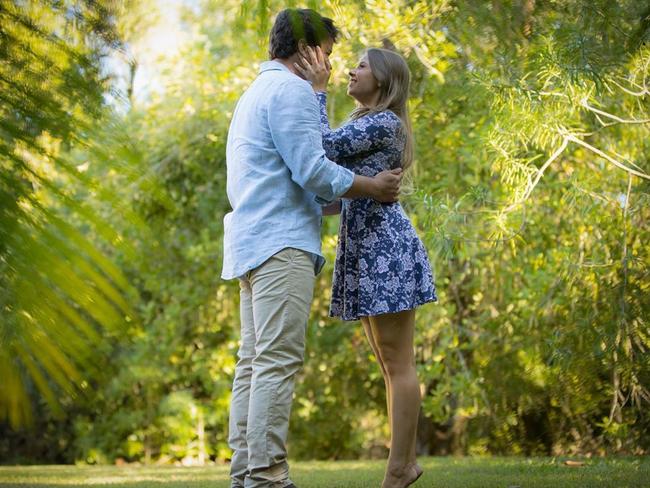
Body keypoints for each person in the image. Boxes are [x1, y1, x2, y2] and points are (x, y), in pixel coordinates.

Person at [222, 9, 404, 488]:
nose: (330, 64)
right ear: (308, 50)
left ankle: (245, 472)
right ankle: (267, 476)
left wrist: (341, 197)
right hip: (281, 243)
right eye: (327, 52)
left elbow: (292, 180)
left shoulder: (254, 93)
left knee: (254, 361)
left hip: (251, 239)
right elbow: (315, 170)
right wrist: (370, 187)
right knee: (276, 359)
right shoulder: (293, 93)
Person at [295, 45, 438, 488]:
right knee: (387, 362)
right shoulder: (364, 122)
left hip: (385, 251)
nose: (352, 71)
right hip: (366, 248)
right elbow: (341, 188)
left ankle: (399, 468)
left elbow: (320, 148)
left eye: (361, 65)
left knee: (398, 363)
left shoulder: (384, 122)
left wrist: (317, 92)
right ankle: (403, 463)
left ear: (384, 79)